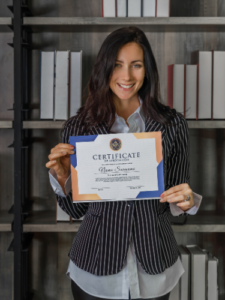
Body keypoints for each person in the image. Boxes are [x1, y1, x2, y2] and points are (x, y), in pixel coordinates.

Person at [45, 26, 202, 300]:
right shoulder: (78, 127)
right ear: (104, 68)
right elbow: (76, 209)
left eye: (136, 65)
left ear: (147, 70)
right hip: (95, 268)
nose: (126, 76)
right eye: (117, 65)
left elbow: (177, 198)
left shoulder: (173, 124)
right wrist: (62, 178)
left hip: (154, 264)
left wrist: (187, 199)